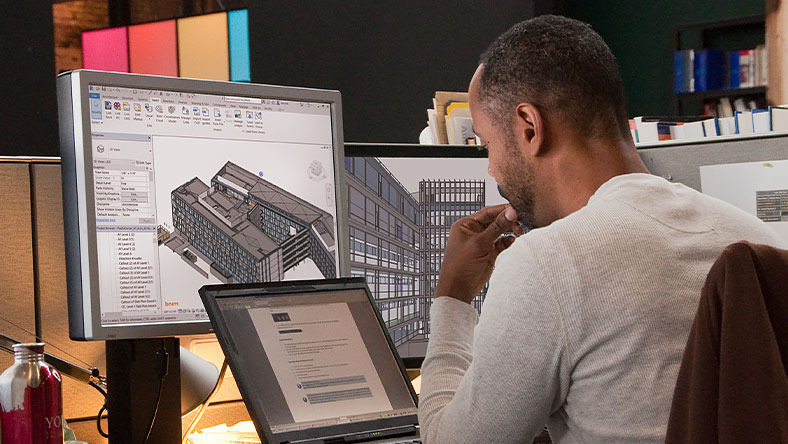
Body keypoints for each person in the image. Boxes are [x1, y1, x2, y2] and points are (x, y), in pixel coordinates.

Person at [417, 15, 784, 444]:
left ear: (530, 128)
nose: (492, 166)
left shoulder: (546, 263)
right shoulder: (757, 237)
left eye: (487, 145)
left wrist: (453, 296)